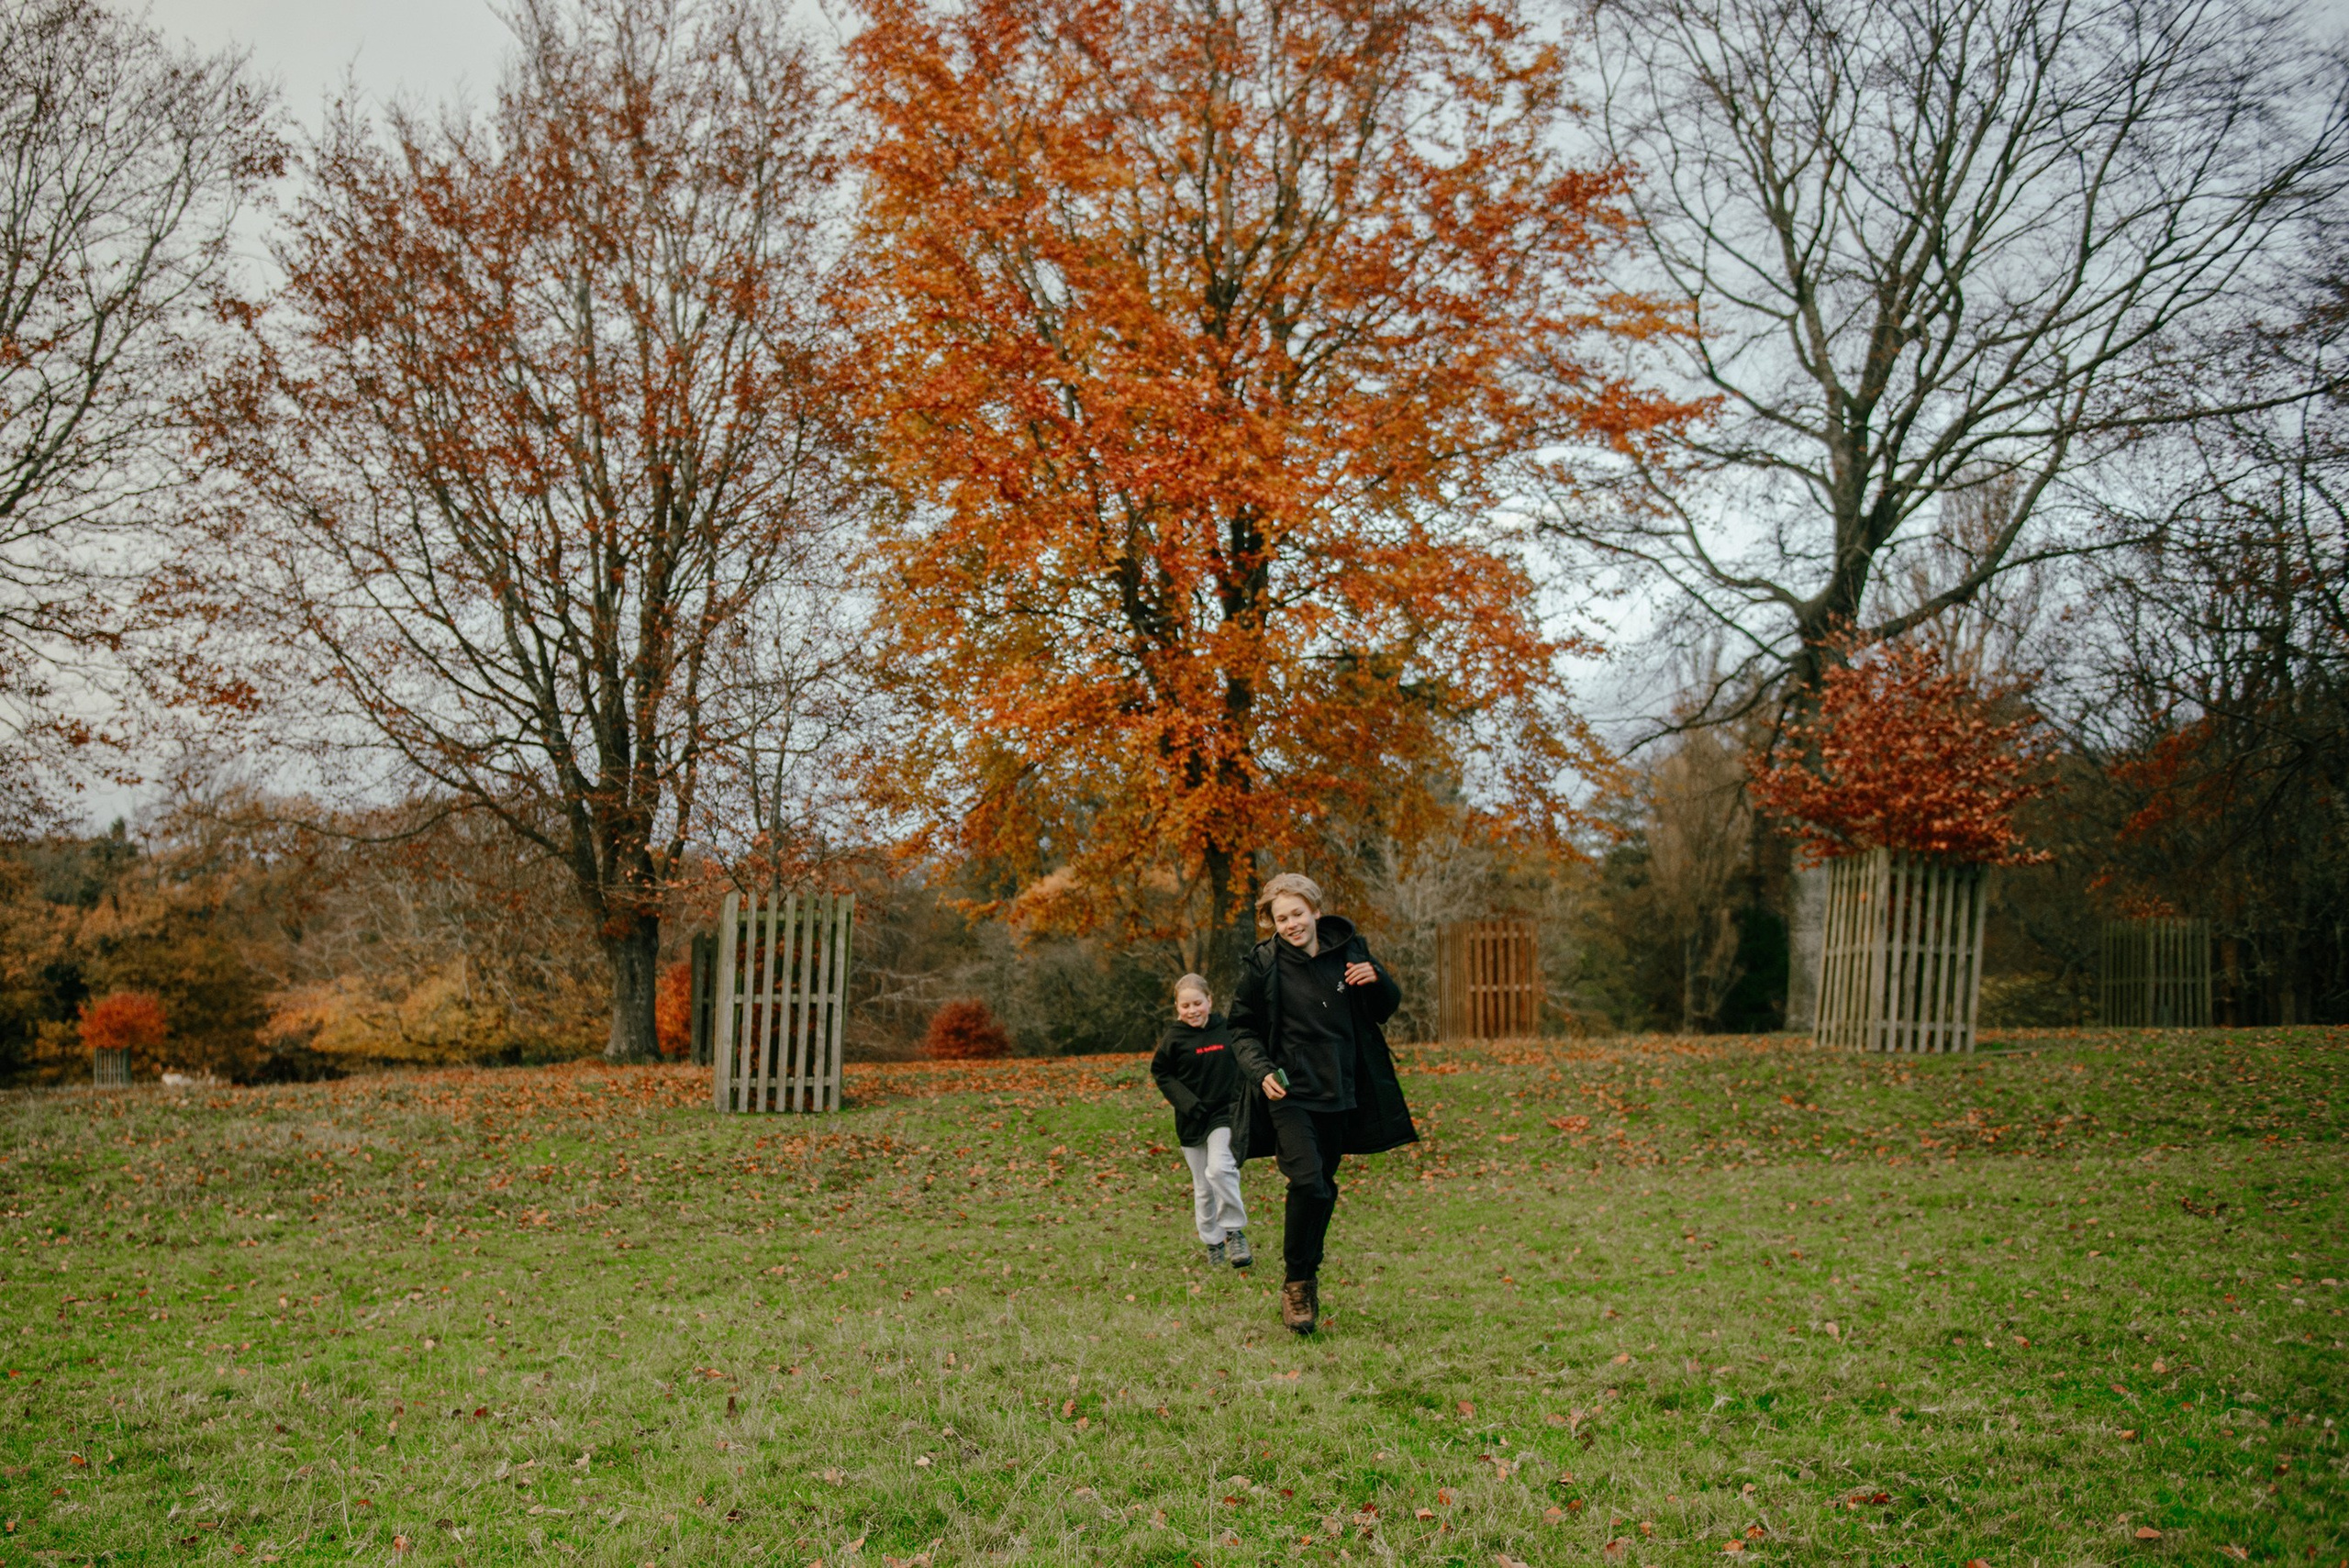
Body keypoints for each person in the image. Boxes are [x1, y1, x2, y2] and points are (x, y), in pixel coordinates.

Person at [1228, 873, 1418, 1334]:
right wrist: (1262, 1070)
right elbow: (1241, 1027)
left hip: (1343, 1089)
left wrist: (1378, 979)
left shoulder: (1350, 951)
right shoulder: (1264, 964)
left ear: (1315, 910)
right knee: (1309, 1183)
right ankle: (1298, 1284)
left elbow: (1384, 1008)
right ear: (1271, 923)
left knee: (1324, 1187)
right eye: (1281, 918)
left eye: (1297, 914)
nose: (1291, 924)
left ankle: (1306, 1270)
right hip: (1290, 1093)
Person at [1149, 974, 1252, 1268]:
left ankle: (1234, 1231)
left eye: (1198, 1003)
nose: (1192, 1010)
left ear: (1210, 1001)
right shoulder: (1174, 1038)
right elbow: (1162, 1073)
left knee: (1219, 1170)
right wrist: (1188, 1104)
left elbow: (1246, 1060)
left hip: (1225, 1114)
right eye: (1185, 1005)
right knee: (1203, 1186)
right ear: (1177, 1008)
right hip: (1192, 1118)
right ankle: (1213, 1241)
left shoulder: (1228, 1029)